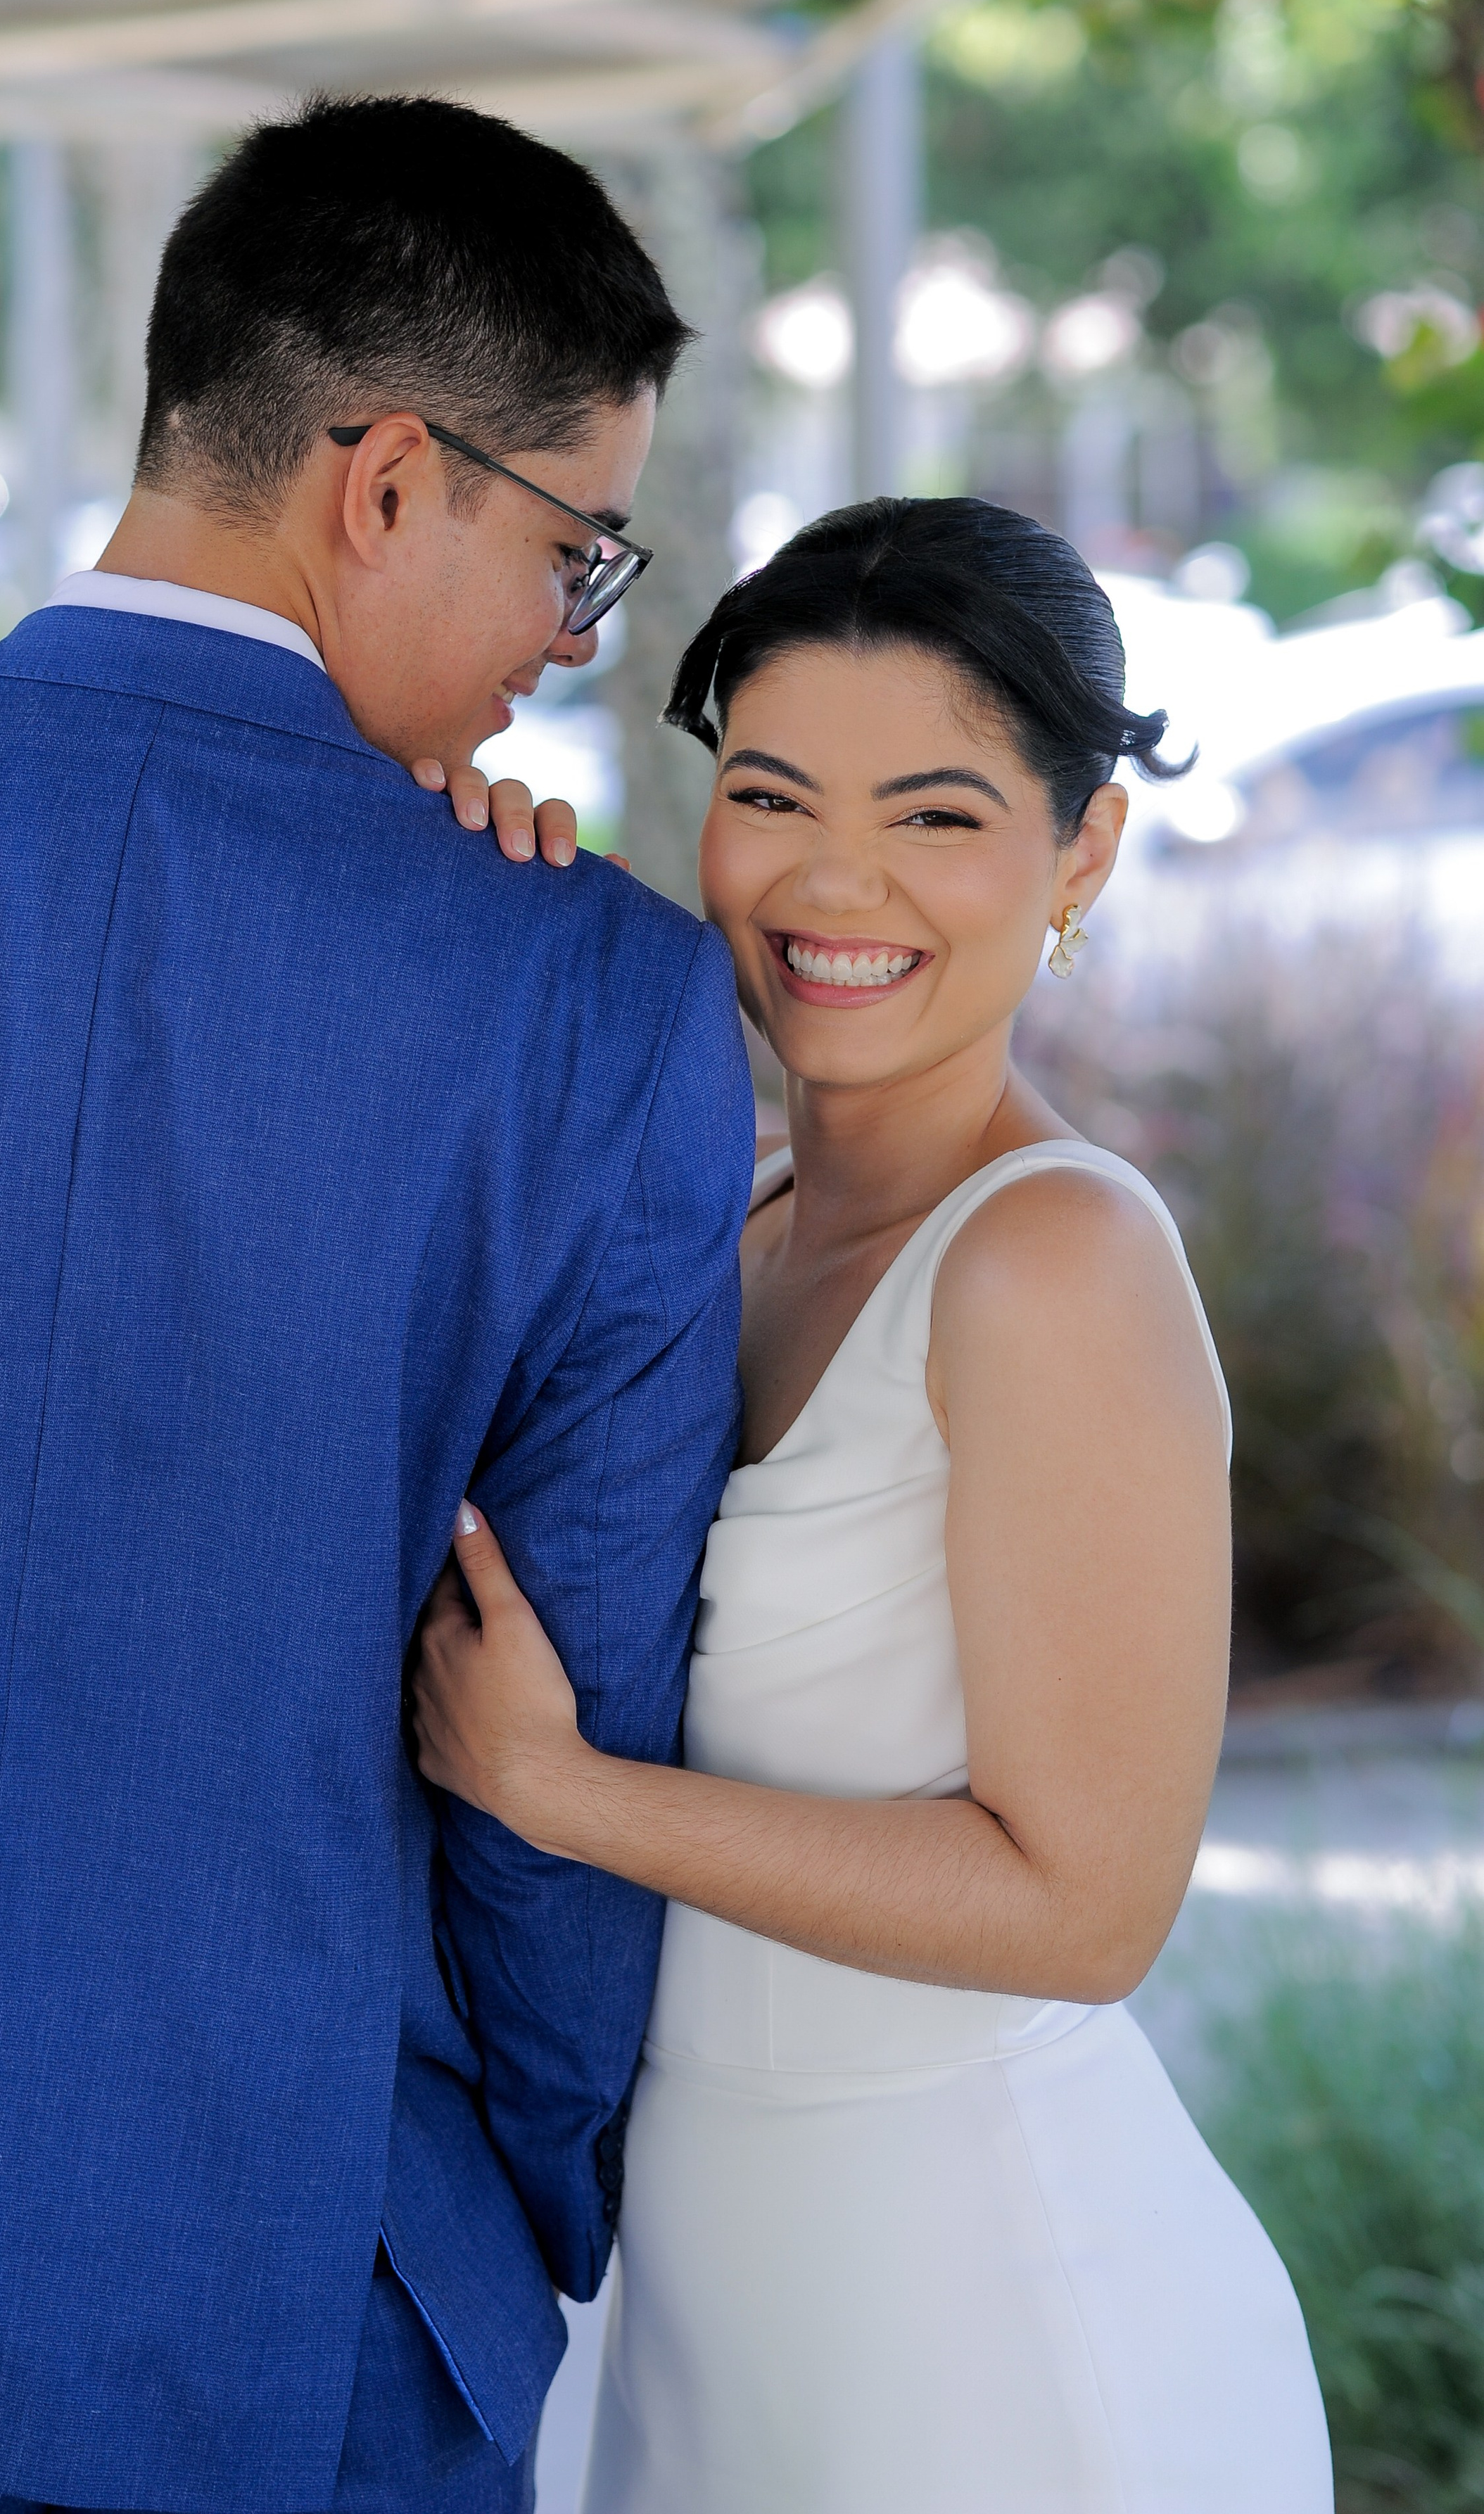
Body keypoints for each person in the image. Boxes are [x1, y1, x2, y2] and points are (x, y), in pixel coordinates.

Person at [0, 97, 754, 2514]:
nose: (560, 650)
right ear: (386, 483)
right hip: (302, 2315)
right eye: (575, 557)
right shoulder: (590, 1008)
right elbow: (561, 1728)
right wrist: (535, 2207)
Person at [414, 497, 1336, 2513]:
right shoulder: (718, 1215)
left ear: (1080, 852)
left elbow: (1086, 1909)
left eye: (935, 815)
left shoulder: (1051, 1262)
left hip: (992, 2336)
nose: (835, 882)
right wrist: (470, 923)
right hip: (707, 2322)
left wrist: (563, 1794)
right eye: (769, 794)